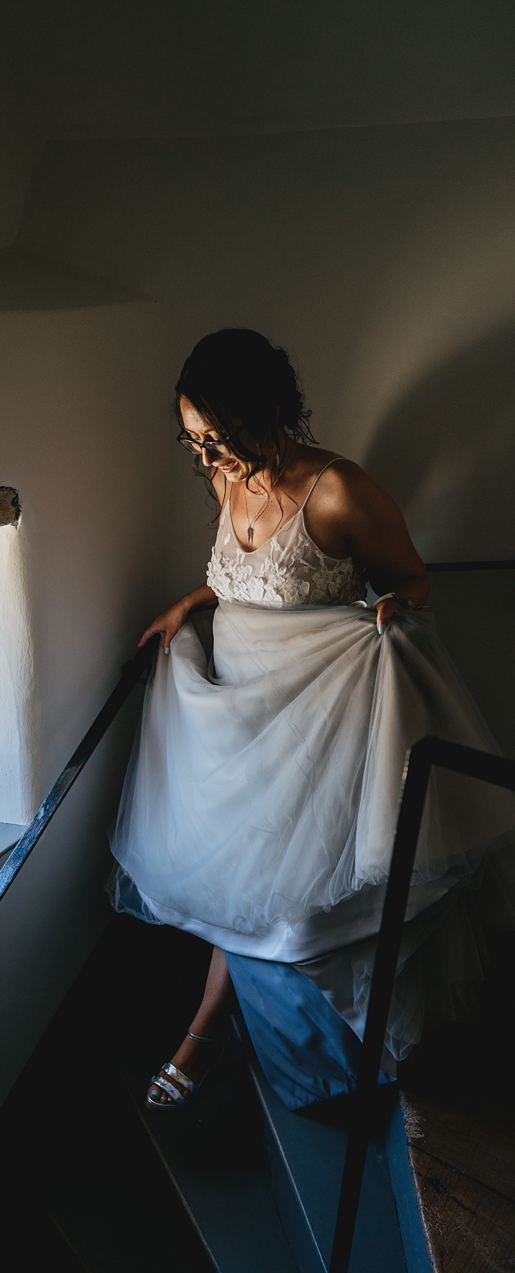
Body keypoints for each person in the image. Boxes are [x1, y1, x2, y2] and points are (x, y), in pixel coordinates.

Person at [110, 329, 514, 1112]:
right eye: (195, 444)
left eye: (216, 441)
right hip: (237, 716)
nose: (207, 461)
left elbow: (414, 578)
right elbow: (243, 586)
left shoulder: (338, 490)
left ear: (261, 412)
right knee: (235, 877)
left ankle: (241, 1041)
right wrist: (192, 603)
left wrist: (395, 605)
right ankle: (221, 1033)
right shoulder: (229, 483)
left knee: (290, 903)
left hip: (314, 728)